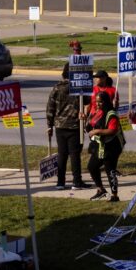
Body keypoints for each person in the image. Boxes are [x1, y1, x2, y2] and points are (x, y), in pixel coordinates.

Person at [45, 63, 88, 191]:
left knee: (62, 154)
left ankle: (60, 182)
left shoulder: (56, 88)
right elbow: (87, 101)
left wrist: (49, 125)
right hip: (74, 125)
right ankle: (76, 181)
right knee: (75, 155)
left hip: (60, 125)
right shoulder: (78, 88)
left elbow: (50, 108)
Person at [86, 91, 124, 202]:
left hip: (111, 147)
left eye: (100, 102)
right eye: (96, 102)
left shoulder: (111, 114)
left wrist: (98, 131)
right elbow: (90, 127)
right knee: (92, 167)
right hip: (99, 145)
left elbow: (112, 130)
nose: (98, 104)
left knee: (110, 170)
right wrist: (84, 119)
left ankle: (115, 195)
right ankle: (100, 190)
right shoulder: (97, 111)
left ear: (106, 102)